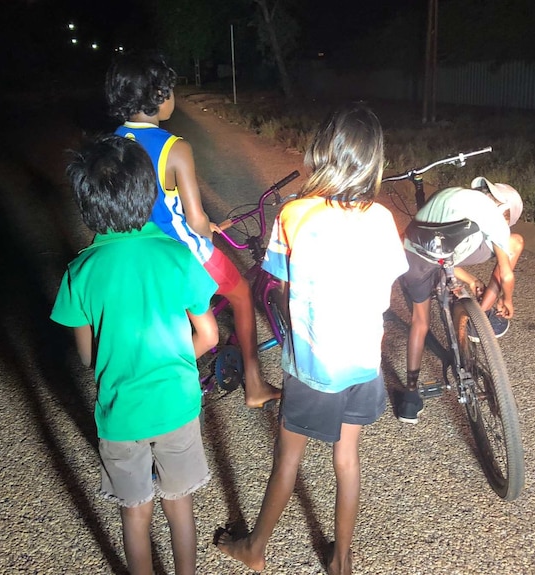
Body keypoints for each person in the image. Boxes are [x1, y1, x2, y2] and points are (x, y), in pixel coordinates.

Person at [216, 103, 408, 575]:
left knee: (287, 461)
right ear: (373, 162)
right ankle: (341, 561)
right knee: (347, 459)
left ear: (323, 153)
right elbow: (384, 293)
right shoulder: (383, 220)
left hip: (313, 365)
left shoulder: (294, 213)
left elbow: (278, 287)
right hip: (363, 362)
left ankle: (254, 549)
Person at [50, 134, 219, 575]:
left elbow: (88, 358)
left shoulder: (80, 271)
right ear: (149, 195)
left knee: (135, 512)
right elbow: (209, 334)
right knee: (179, 506)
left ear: (86, 205)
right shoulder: (177, 255)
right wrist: (177, 362)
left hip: (120, 414)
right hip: (177, 405)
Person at [105, 50, 281, 409]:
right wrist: (205, 229)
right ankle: (253, 384)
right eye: (169, 90)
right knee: (243, 294)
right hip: (182, 253)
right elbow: (197, 220)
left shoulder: (112, 144)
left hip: (137, 253)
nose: (173, 97)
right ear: (156, 96)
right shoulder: (174, 148)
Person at [395, 176, 525, 424]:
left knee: (420, 322)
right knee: (515, 243)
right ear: (505, 212)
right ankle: (482, 314)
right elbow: (506, 274)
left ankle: (410, 399)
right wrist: (507, 300)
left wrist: (471, 280)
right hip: (441, 254)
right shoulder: (495, 218)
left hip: (413, 257)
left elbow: (440, 254)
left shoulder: (449, 193)